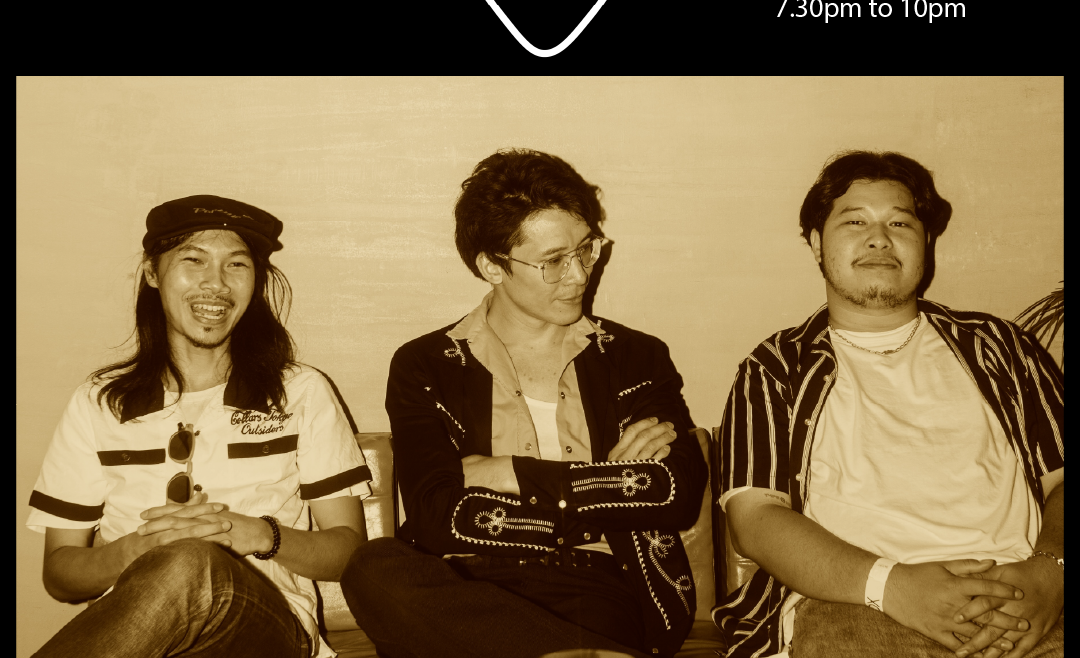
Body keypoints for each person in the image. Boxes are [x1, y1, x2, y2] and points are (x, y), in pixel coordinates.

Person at [340, 149, 709, 658]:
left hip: (593, 587)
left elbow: (674, 492)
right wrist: (603, 490)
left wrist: (505, 473)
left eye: (586, 249)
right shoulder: (426, 364)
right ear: (491, 266)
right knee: (372, 567)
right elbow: (434, 515)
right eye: (553, 261)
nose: (579, 275)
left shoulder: (633, 356)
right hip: (462, 583)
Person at [712, 151, 1064, 658]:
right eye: (855, 221)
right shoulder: (775, 368)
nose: (879, 238)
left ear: (926, 242)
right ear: (816, 243)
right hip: (857, 602)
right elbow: (755, 519)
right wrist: (891, 586)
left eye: (899, 222)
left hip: (1017, 593)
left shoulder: (999, 347)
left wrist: (1052, 571)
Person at [27, 195, 373, 658]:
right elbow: (60, 575)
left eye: (237, 265)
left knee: (193, 560)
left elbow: (349, 552)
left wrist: (255, 534)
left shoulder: (300, 391)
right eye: (193, 260)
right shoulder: (99, 401)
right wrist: (138, 549)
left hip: (270, 629)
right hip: (145, 636)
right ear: (152, 273)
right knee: (182, 561)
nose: (216, 283)